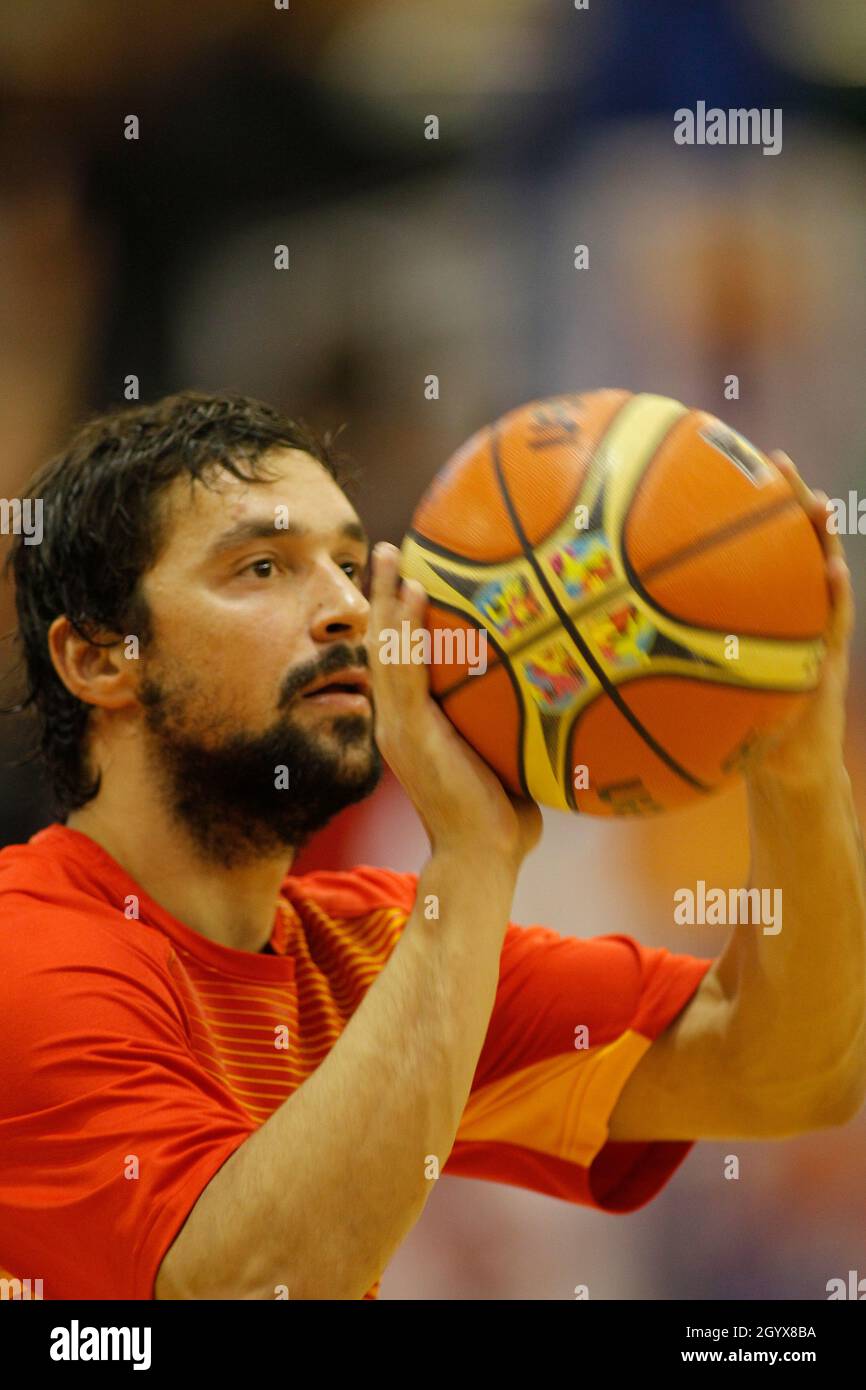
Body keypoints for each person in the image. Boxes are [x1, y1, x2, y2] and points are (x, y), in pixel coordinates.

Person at [0, 391, 862, 1301]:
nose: (346, 610)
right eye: (262, 567)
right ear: (99, 658)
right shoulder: (27, 953)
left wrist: (793, 758)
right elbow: (253, 1285)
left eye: (346, 564)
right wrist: (472, 859)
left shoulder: (378, 953)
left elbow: (784, 1071)